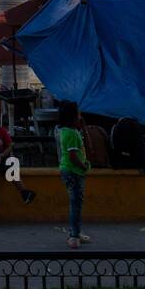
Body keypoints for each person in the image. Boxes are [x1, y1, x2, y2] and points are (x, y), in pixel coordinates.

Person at [57, 100, 91, 248]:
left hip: (72, 171)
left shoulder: (70, 131)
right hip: (74, 172)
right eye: (78, 113)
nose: (80, 116)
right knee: (76, 204)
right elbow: (72, 156)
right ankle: (73, 236)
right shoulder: (70, 133)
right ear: (72, 116)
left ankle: (76, 232)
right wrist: (83, 166)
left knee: (76, 203)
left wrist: (83, 128)